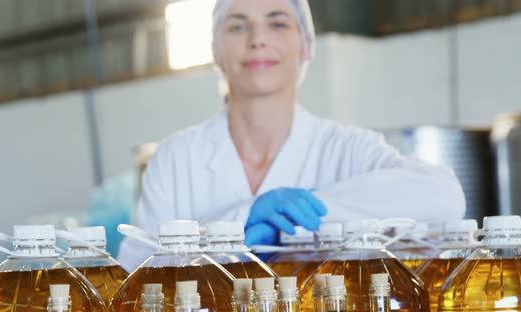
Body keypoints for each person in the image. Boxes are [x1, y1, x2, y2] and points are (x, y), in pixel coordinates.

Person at [117, 0, 465, 272]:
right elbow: (134, 278)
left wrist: (302, 212)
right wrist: (238, 222)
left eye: (278, 22)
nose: (258, 39)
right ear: (216, 51)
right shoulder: (176, 159)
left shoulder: (348, 149)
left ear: (306, 45)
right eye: (238, 26)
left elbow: (444, 198)